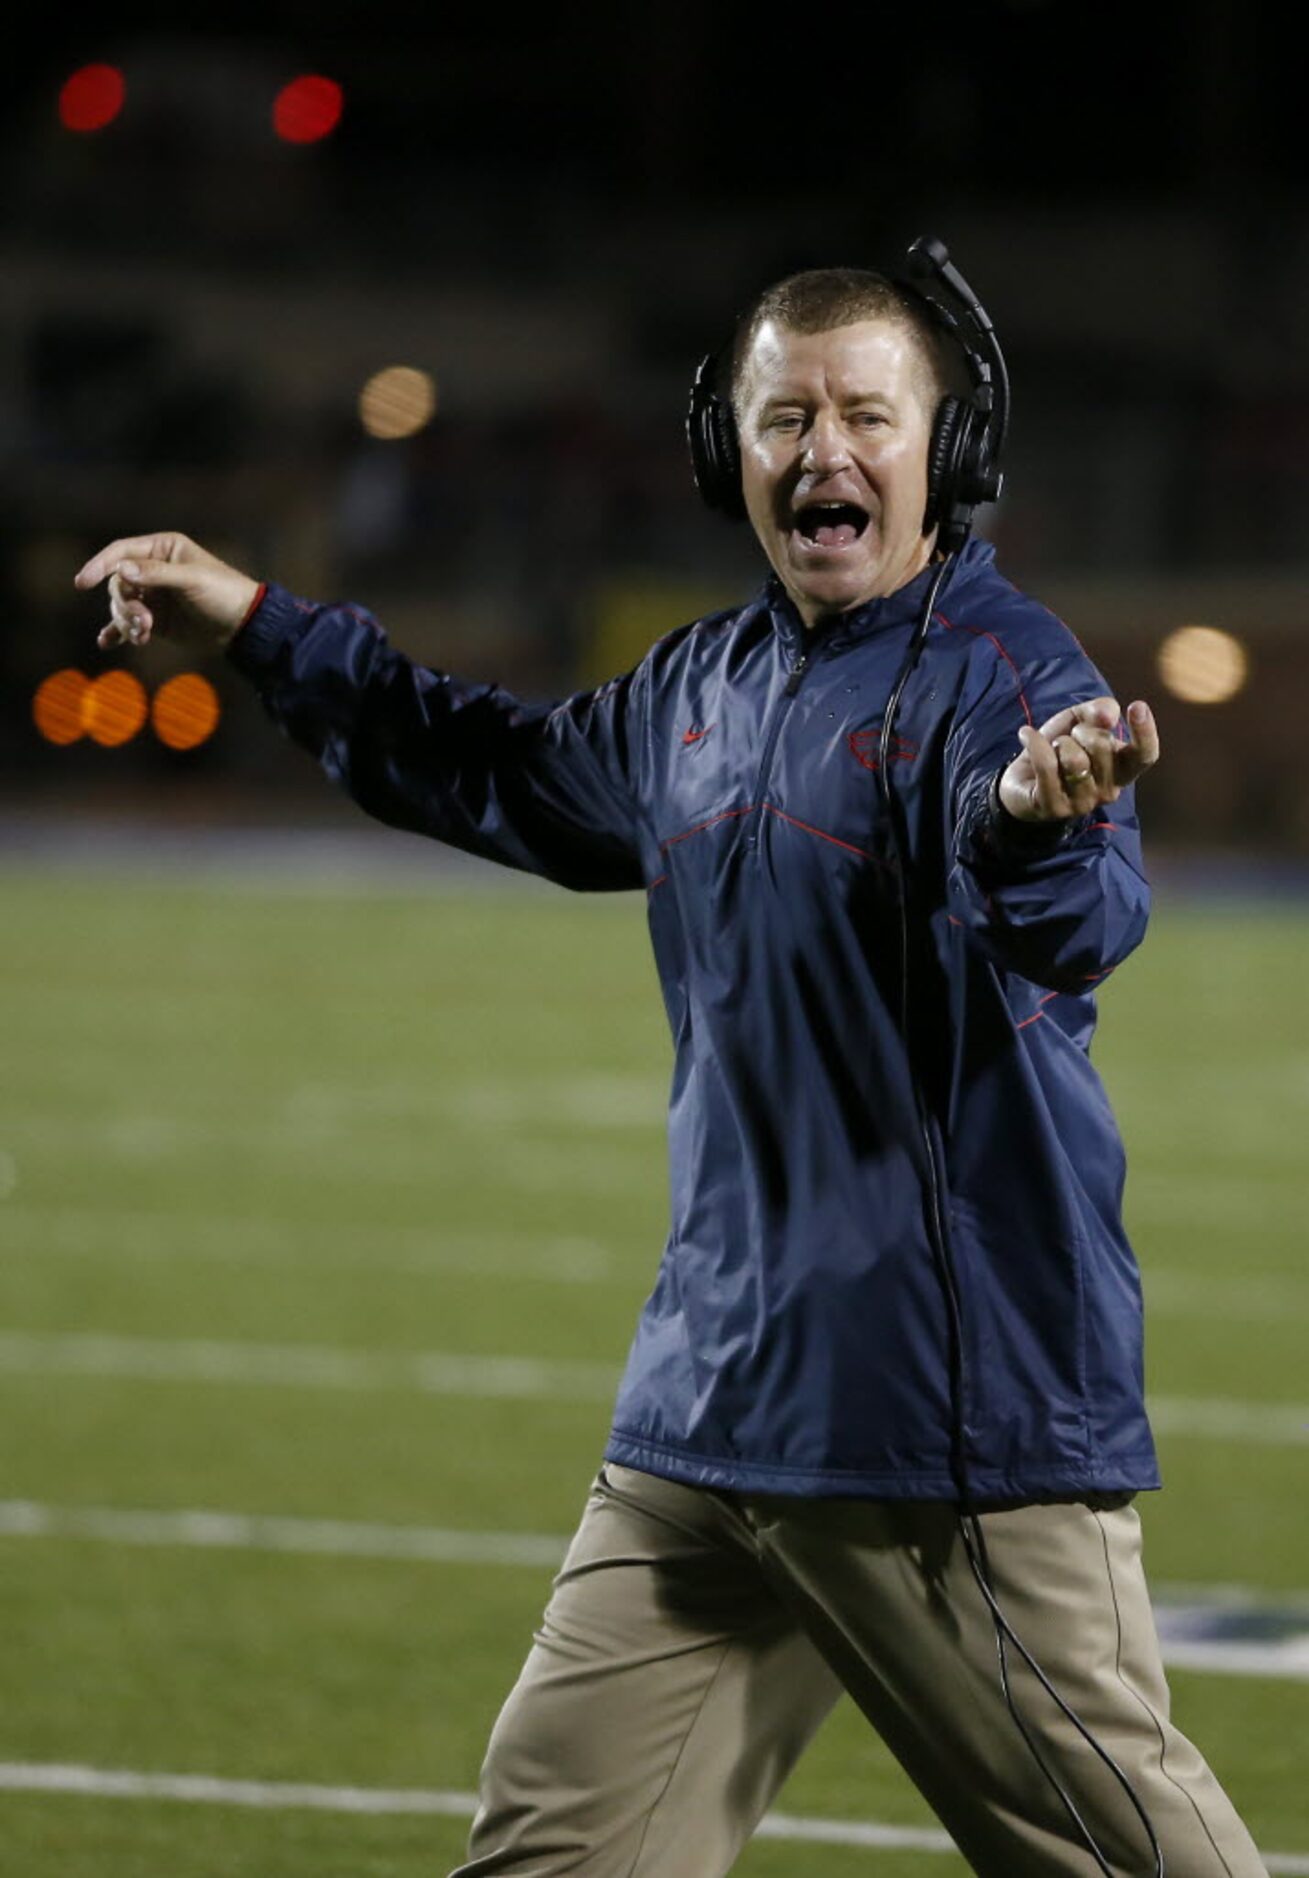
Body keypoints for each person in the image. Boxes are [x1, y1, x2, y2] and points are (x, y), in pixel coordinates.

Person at [74, 251, 1269, 1878]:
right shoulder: (699, 686)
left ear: (945, 452)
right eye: (785, 417)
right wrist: (267, 628)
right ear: (728, 452)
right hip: (706, 1416)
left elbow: (1072, 911)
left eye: (865, 414)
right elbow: (490, 764)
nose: (821, 452)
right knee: (551, 1851)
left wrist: (1028, 818)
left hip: (937, 1428)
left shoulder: (1011, 676)